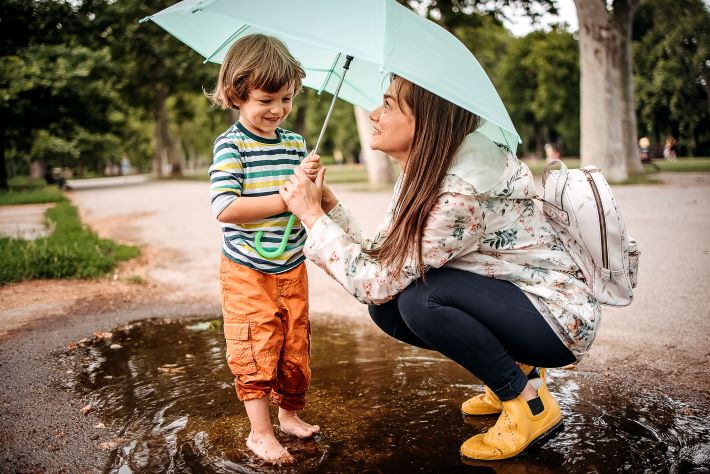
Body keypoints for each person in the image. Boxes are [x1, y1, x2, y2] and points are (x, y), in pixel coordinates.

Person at [280, 76, 601, 461]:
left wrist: (313, 218)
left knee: (421, 302)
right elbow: (385, 257)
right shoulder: (429, 169)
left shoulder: (460, 193)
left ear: (425, 121)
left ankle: (528, 404)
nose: (374, 114)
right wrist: (329, 206)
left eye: (388, 105)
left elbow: (376, 282)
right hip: (517, 300)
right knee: (390, 309)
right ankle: (518, 372)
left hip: (556, 319)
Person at [207, 34, 323, 464]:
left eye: (286, 98)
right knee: (256, 342)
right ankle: (259, 432)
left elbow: (307, 199)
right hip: (246, 268)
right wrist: (284, 198)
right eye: (265, 99)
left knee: (295, 342)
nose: (277, 110)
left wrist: (310, 180)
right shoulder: (232, 145)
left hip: (290, 264)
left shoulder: (294, 145)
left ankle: (289, 416)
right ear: (238, 94)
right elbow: (224, 207)